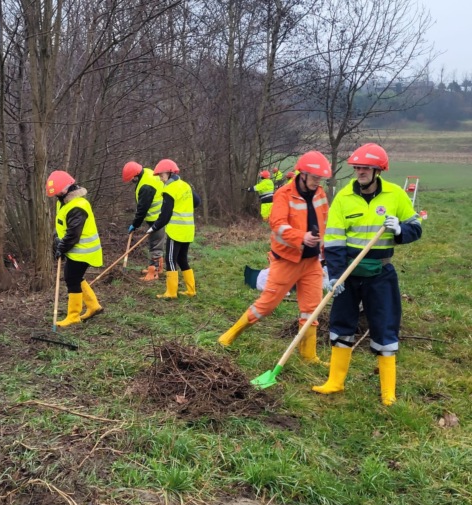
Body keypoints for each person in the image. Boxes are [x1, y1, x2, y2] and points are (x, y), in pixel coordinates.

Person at [312, 143, 422, 406]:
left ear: (377, 171)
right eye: (357, 167)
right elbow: (334, 240)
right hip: (348, 274)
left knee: (385, 326)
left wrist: (400, 230)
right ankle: (335, 382)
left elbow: (416, 227)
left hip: (381, 274)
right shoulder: (343, 198)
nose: (360, 172)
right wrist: (334, 275)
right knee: (341, 325)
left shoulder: (395, 195)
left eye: (365, 168)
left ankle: (388, 393)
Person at [218, 151, 331, 365]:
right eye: (315, 177)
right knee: (266, 305)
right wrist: (301, 237)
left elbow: (326, 221)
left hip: (312, 262)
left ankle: (309, 356)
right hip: (287, 260)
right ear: (303, 174)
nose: (318, 182)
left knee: (311, 309)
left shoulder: (320, 194)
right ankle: (228, 337)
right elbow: (277, 224)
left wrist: (325, 250)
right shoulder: (284, 194)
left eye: (321, 178)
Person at [46, 170, 104, 327]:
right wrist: (57, 240)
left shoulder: (78, 206)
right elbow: (62, 224)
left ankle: (73, 316)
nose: (56, 195)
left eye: (58, 191)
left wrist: (62, 247)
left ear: (67, 188)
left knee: (71, 278)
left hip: (84, 250)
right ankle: (93, 306)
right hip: (75, 248)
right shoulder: (64, 202)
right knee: (75, 277)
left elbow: (73, 234)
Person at [147, 159, 200, 299]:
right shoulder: (185, 185)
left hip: (175, 231)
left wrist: (154, 227)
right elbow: (197, 202)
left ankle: (171, 293)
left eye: (161, 175)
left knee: (170, 259)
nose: (160, 178)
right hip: (188, 229)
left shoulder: (169, 189)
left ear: (169, 173)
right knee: (182, 259)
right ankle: (191, 290)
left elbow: (165, 215)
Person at [121, 161, 166, 281]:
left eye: (132, 178)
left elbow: (142, 209)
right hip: (158, 215)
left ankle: (153, 273)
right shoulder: (148, 172)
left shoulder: (146, 186)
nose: (132, 181)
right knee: (155, 243)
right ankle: (158, 268)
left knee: (155, 245)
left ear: (135, 175)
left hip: (157, 218)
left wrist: (135, 224)